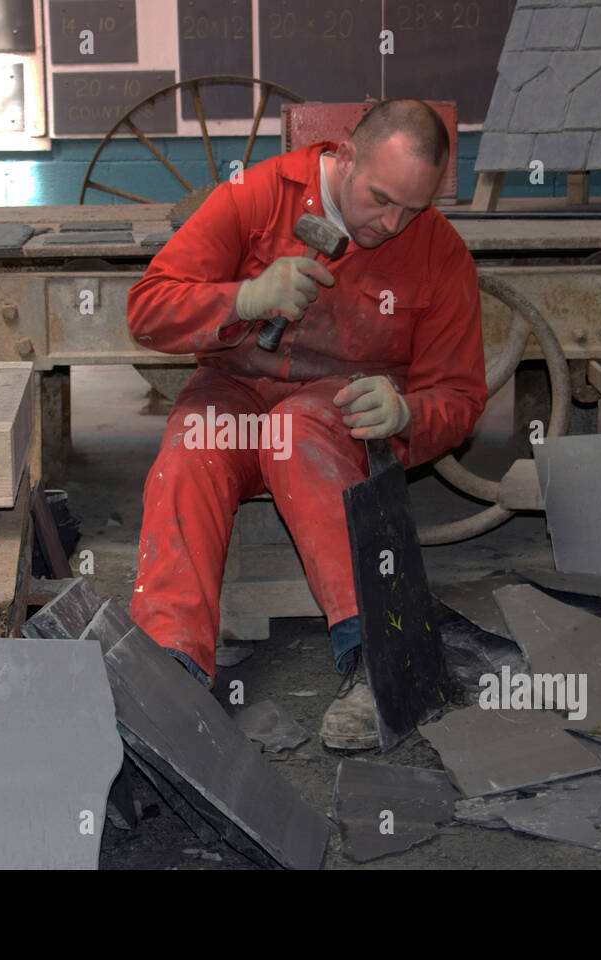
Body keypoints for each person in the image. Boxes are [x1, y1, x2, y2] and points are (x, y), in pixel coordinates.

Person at [126, 99, 487, 750]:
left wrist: (409, 412)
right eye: (380, 199)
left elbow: (459, 394)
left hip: (336, 402)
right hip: (234, 386)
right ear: (345, 155)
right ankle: (168, 668)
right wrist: (241, 298)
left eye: (414, 208)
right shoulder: (256, 195)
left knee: (296, 434)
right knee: (189, 453)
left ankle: (381, 661)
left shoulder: (439, 253)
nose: (392, 223)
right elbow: (148, 310)